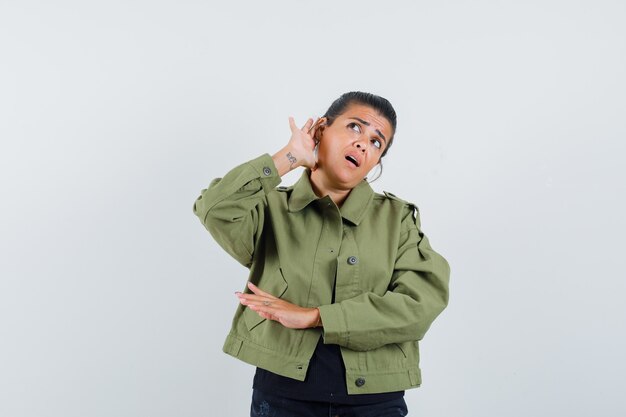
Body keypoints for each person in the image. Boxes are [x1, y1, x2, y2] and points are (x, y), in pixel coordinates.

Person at [192, 91, 450, 416]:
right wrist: (289, 156)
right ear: (322, 129)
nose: (362, 144)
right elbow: (215, 209)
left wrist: (316, 317)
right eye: (355, 127)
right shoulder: (270, 209)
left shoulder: (396, 220)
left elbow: (422, 304)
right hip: (283, 398)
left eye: (376, 142)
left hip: (375, 402)